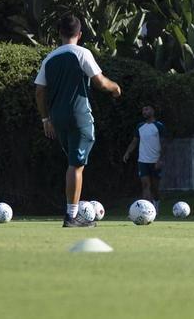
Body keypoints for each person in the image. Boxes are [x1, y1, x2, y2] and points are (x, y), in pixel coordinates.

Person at [34, 14, 122, 228]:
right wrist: (116, 88)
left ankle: (73, 212)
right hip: (78, 115)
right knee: (76, 166)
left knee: (73, 163)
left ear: (59, 33)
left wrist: (45, 118)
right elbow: (100, 82)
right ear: (80, 34)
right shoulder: (82, 53)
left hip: (57, 118)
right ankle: (72, 216)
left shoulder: (50, 58)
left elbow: (39, 91)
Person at [123, 104, 166, 213]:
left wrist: (160, 159)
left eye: (147, 109)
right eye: (143, 110)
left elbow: (164, 144)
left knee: (155, 187)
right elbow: (134, 141)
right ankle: (146, 211)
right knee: (145, 185)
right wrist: (128, 152)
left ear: (153, 111)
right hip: (142, 161)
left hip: (155, 161)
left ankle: (156, 204)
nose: (144, 112)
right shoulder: (140, 126)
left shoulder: (159, 126)